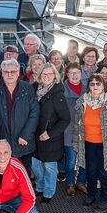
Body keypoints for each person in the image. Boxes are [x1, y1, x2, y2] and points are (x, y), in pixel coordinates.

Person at [73, 73, 107, 213]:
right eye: (92, 83)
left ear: (103, 86)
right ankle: (91, 196)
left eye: (98, 83)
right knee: (90, 171)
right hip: (87, 144)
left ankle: (105, 199)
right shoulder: (82, 102)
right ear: (89, 86)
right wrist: (76, 144)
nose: (95, 86)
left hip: (105, 145)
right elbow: (77, 125)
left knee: (104, 172)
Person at [0, 59, 39, 176]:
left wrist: (26, 135)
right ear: (1, 73)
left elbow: (35, 112)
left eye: (13, 71)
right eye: (6, 72)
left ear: (18, 73)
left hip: (23, 141)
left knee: (23, 175)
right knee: (5, 176)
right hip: (3, 142)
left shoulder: (27, 89)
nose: (10, 75)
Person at [32, 63, 70, 204]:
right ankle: (40, 186)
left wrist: (50, 133)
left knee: (49, 166)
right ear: (40, 75)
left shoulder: (57, 94)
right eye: (44, 73)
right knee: (35, 164)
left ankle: (48, 192)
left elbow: (66, 119)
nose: (46, 76)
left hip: (50, 138)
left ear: (55, 76)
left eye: (50, 74)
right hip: (35, 136)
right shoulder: (35, 90)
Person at [58, 62, 87, 194]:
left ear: (81, 74)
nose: (74, 75)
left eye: (77, 72)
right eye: (71, 73)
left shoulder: (88, 88)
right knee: (71, 160)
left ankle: (80, 182)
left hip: (86, 130)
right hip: (69, 131)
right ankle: (70, 183)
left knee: (85, 159)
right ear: (67, 75)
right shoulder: (61, 90)